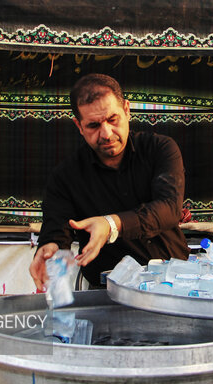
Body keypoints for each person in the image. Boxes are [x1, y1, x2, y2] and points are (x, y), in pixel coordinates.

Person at [29, 73, 189, 290]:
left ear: (126, 110)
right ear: (79, 126)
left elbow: (169, 208)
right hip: (107, 294)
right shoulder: (66, 175)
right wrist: (49, 247)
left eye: (113, 120)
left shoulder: (160, 149)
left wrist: (111, 224)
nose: (106, 133)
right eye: (94, 125)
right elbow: (57, 227)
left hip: (174, 285)